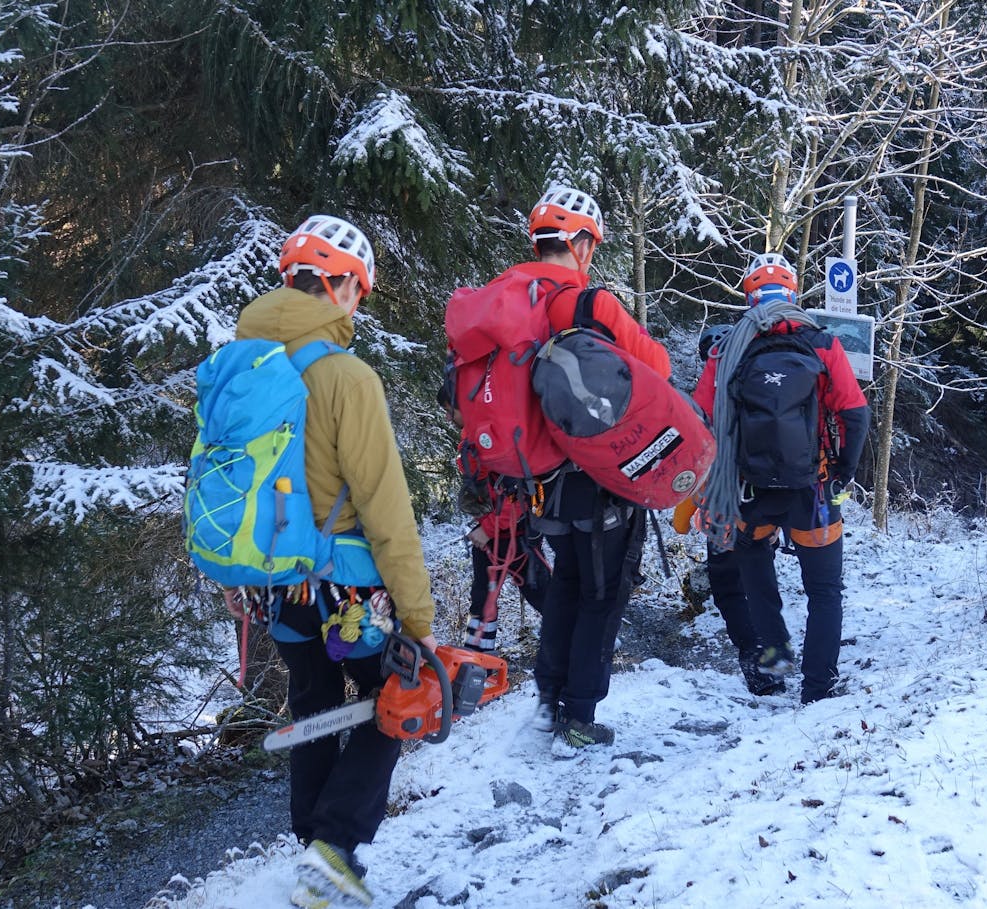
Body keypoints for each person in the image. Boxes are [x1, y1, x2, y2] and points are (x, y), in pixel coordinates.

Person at [235, 214, 438, 909]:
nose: (359, 304)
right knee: (398, 699)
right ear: (342, 285)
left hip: (276, 587)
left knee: (315, 701)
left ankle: (313, 847)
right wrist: (418, 613)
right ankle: (334, 847)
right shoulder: (346, 376)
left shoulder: (239, 365)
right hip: (350, 591)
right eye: (360, 290)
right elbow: (385, 506)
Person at [486, 185, 670, 748]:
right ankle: (579, 716)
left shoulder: (506, 303)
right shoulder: (591, 303)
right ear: (582, 244)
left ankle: (548, 698)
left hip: (537, 479)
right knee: (604, 591)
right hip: (598, 476)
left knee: (567, 579)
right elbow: (656, 365)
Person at [688, 252, 870, 704]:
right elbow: (856, 414)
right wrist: (842, 473)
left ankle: (774, 660)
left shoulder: (727, 349)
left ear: (749, 294)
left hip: (748, 491)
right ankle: (818, 687)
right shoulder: (822, 344)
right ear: (792, 292)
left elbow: (699, 421)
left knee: (756, 577)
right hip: (812, 488)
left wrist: (705, 485)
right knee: (824, 591)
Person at [436, 382, 551, 652]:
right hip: (499, 531)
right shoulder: (477, 435)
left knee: (540, 590)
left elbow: (518, 494)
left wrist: (487, 529)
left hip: (514, 532)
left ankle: (587, 641)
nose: (447, 418)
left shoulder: (491, 438)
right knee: (484, 596)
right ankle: (478, 658)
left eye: (450, 410)